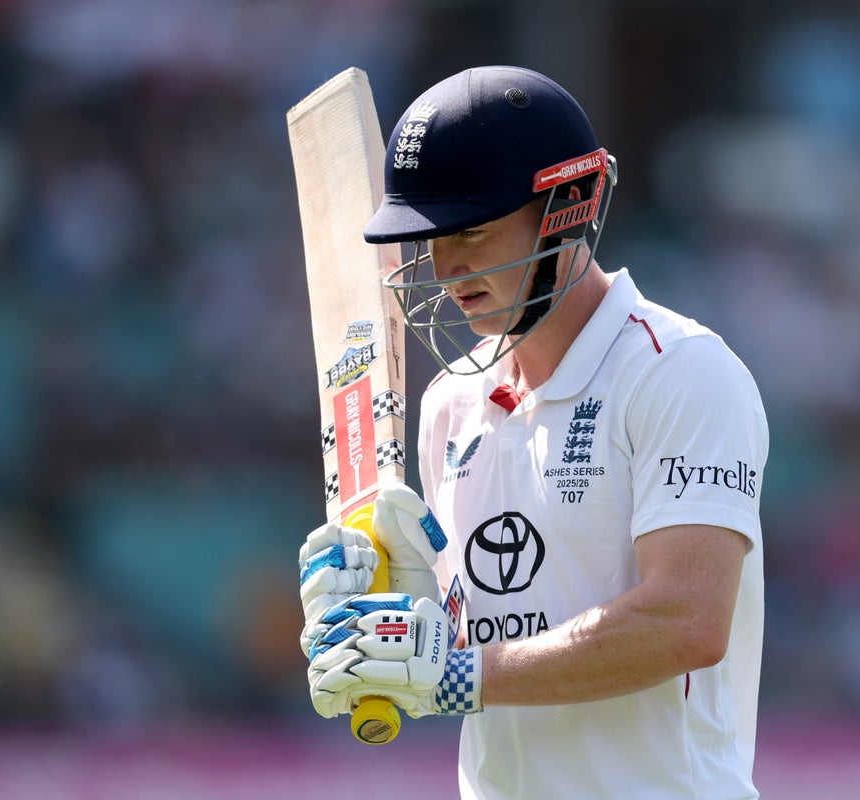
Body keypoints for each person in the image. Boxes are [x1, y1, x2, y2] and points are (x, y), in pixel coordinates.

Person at [297, 65, 769, 800]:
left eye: (472, 230)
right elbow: (491, 641)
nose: (446, 268)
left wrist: (456, 674)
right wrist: (394, 617)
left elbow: (686, 619)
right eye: (431, 238)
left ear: (567, 205)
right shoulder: (450, 403)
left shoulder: (681, 372)